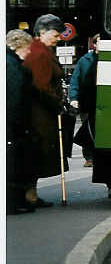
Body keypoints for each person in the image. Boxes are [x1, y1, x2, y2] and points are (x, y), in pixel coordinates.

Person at [22, 14, 69, 207]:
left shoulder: (41, 50)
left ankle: (31, 193)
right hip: (40, 113)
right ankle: (29, 194)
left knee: (38, 153)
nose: (58, 39)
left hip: (41, 110)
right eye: (55, 34)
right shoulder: (39, 53)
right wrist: (56, 102)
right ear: (42, 31)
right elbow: (41, 85)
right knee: (38, 152)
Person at [7, 30, 36, 214]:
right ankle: (14, 202)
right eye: (28, 48)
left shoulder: (12, 63)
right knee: (14, 162)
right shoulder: (12, 65)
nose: (29, 52)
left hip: (13, 121)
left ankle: (16, 201)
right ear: (19, 45)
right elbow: (14, 96)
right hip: (14, 122)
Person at [70, 34, 99, 167]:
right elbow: (75, 79)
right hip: (86, 100)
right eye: (99, 42)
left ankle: (98, 155)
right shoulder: (85, 60)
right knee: (86, 128)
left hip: (100, 100)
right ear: (94, 44)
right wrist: (74, 98)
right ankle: (89, 157)